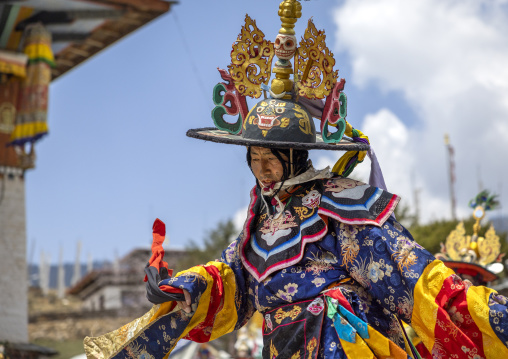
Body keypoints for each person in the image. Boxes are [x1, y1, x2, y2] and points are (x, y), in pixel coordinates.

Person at [84, 1, 508, 358]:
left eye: (273, 158)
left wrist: (485, 315)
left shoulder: (341, 203)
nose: (263, 168)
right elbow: (231, 281)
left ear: (295, 158)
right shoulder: (259, 223)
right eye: (255, 157)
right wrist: (182, 288)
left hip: (338, 341)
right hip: (279, 343)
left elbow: (407, 271)